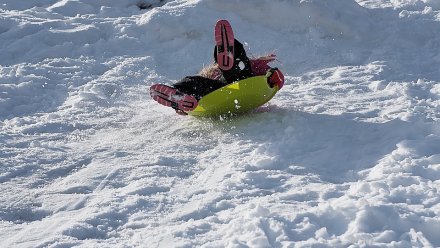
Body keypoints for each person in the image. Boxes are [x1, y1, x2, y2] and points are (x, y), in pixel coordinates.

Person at [150, 20, 284, 114]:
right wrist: (184, 108)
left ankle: (232, 60)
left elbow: (277, 78)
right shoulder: (213, 73)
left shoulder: (256, 66)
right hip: (221, 93)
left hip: (245, 83)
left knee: (234, 72)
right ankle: (179, 95)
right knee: (196, 82)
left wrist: (273, 77)